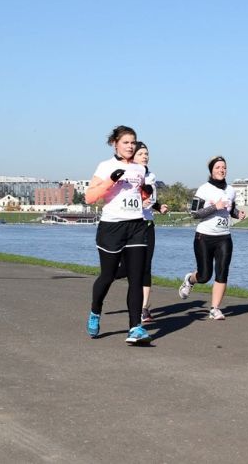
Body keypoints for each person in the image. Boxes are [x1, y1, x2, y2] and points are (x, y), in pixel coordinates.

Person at [84, 125, 152, 344]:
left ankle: (135, 327)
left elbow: (138, 194)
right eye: (126, 142)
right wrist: (111, 180)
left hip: (136, 225)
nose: (130, 146)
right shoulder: (105, 166)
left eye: (133, 142)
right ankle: (95, 311)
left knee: (136, 277)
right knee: (108, 275)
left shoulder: (141, 169)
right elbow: (89, 197)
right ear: (115, 143)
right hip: (112, 227)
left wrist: (145, 195)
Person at [178, 156, 246, 320]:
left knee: (222, 272)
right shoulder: (204, 189)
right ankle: (190, 279)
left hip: (224, 237)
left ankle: (215, 309)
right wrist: (215, 207)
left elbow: (230, 210)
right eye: (218, 167)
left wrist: (238, 214)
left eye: (224, 167)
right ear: (211, 170)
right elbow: (194, 214)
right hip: (204, 237)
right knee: (204, 275)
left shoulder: (230, 190)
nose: (221, 170)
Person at [115, 141, 168, 324]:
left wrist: (159, 206)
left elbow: (150, 199)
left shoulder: (151, 176)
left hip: (147, 224)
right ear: (132, 156)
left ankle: (143, 309)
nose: (145, 156)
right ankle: (111, 273)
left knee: (146, 267)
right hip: (128, 224)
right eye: (141, 153)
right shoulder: (127, 175)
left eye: (147, 153)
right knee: (128, 268)